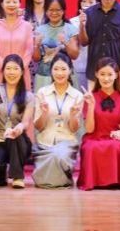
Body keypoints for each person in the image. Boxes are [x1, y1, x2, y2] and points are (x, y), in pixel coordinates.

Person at [78, 57, 120, 191]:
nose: (106, 78)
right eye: (102, 74)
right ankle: (92, 182)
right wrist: (91, 106)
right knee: (91, 148)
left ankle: (114, 181)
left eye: (110, 74)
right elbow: (89, 129)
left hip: (112, 138)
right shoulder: (90, 97)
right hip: (93, 137)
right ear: (96, 75)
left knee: (116, 146)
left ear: (116, 75)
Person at [0, 54, 35, 188]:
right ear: (3, 70)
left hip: (18, 140)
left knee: (14, 137)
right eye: (8, 68)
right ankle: (1, 172)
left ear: (22, 72)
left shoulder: (28, 96)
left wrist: (19, 128)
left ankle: (18, 176)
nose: (11, 72)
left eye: (15, 69)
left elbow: (26, 122)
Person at [32, 53, 84, 189]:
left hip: (67, 141)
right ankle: (60, 179)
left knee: (59, 155)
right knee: (53, 155)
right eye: (56, 69)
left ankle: (55, 179)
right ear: (51, 71)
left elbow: (74, 129)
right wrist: (44, 113)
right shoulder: (42, 93)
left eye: (63, 69)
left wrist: (73, 116)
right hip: (45, 142)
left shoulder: (77, 95)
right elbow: (38, 127)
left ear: (70, 71)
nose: (59, 73)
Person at [33, 0, 78, 92]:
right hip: (44, 75)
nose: (54, 13)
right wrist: (36, 45)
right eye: (51, 10)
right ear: (46, 11)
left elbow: (74, 55)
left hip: (65, 75)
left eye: (58, 10)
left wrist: (65, 42)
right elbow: (36, 59)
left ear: (63, 11)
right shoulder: (40, 29)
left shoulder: (71, 29)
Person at [0, 0, 35, 88]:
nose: (11, 4)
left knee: (22, 98)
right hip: (0, 73)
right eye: (8, 1)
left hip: (21, 74)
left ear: (19, 4)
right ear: (2, 4)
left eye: (14, 1)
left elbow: (29, 52)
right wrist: (7, 69)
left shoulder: (27, 26)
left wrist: (17, 69)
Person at [68, 0, 98, 90]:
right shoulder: (73, 22)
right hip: (78, 68)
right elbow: (80, 43)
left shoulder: (101, 21)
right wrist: (82, 24)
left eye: (91, 2)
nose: (86, 4)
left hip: (97, 69)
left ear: (97, 4)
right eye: (84, 1)